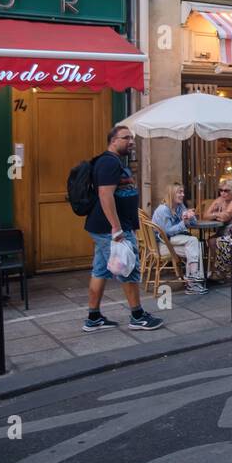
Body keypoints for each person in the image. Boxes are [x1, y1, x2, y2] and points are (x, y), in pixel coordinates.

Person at [82, 126, 163, 332]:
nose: (131, 142)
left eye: (132, 138)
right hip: (111, 230)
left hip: (105, 228)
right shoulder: (109, 162)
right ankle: (137, 316)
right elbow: (105, 195)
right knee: (128, 268)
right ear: (113, 141)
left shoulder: (114, 162)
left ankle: (93, 318)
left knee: (100, 269)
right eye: (126, 138)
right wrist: (117, 229)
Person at [151, 182, 207, 295]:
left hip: (174, 243)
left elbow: (193, 223)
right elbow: (167, 232)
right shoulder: (163, 210)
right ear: (171, 194)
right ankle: (194, 281)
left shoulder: (179, 206)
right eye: (179, 192)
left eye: (183, 192)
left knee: (196, 246)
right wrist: (183, 222)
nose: (183, 195)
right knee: (193, 241)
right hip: (163, 244)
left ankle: (192, 283)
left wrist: (190, 216)